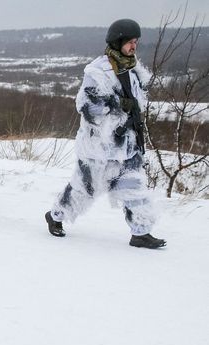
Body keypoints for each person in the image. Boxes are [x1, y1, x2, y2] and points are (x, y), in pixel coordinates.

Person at [45, 19, 166, 249]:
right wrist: (119, 103)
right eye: (130, 42)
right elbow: (88, 107)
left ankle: (140, 232)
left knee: (134, 187)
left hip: (127, 145)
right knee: (84, 190)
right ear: (117, 41)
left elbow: (137, 105)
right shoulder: (97, 71)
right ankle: (56, 215)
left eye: (136, 42)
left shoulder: (133, 70)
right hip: (98, 147)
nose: (134, 46)